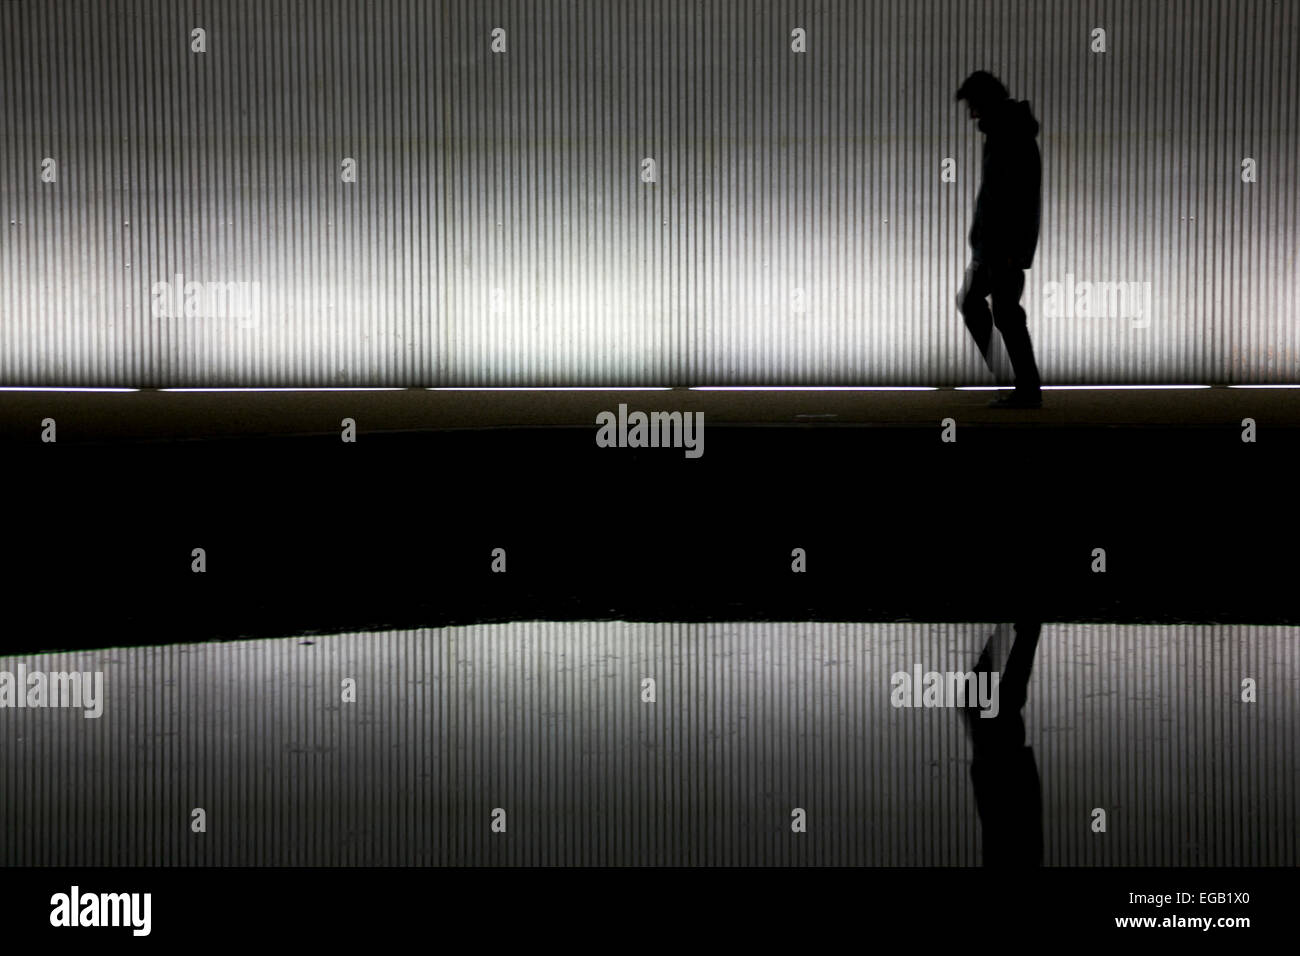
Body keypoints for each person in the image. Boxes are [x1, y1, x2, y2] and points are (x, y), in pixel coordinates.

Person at [956, 71, 1044, 409]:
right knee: (991, 308)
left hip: (1001, 248)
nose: (972, 114)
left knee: (1003, 312)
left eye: (974, 105)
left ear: (986, 102)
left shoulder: (1012, 137)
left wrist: (1010, 250)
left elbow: (1015, 199)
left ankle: (1023, 386)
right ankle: (1018, 382)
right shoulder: (1005, 133)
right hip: (993, 246)